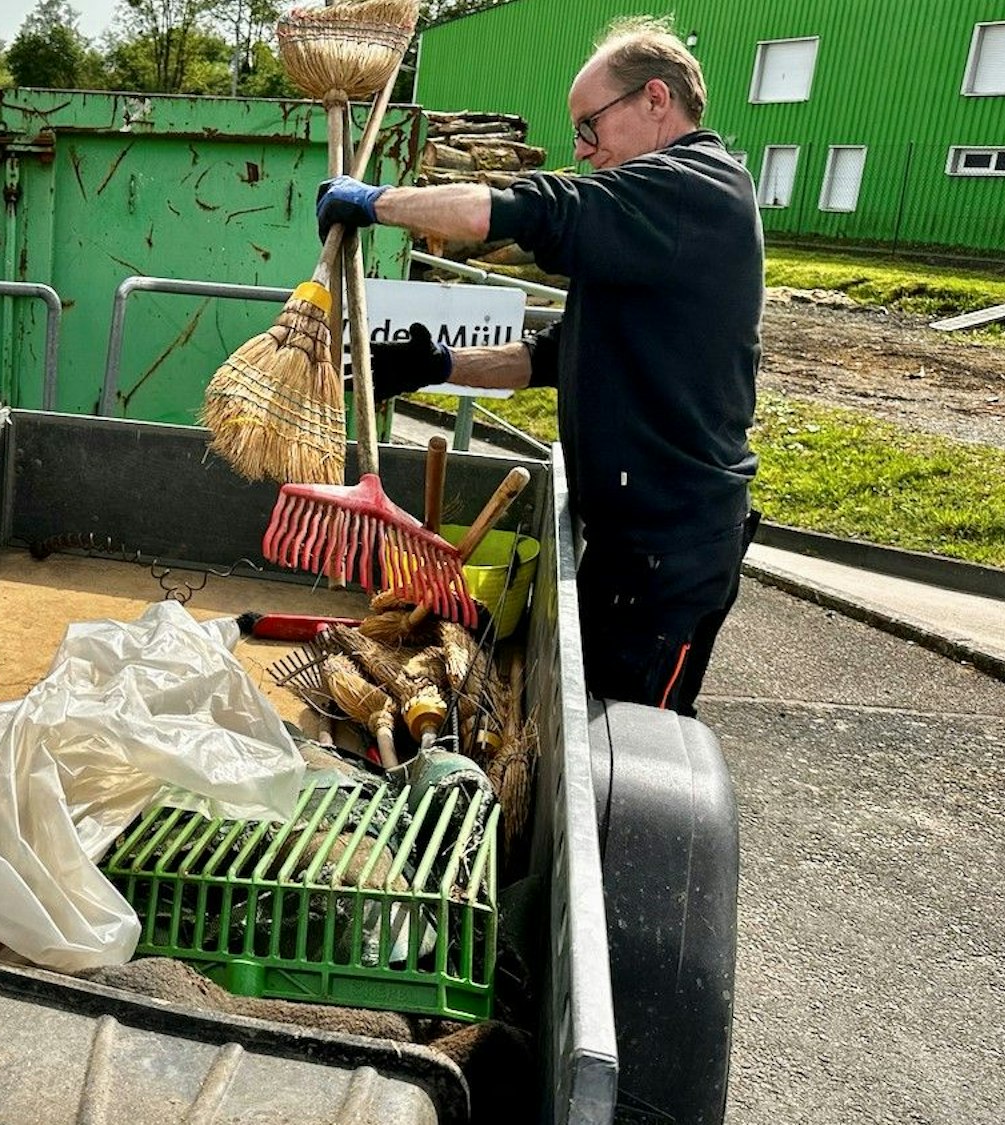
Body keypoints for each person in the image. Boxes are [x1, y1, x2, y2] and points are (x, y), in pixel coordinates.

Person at [316, 17, 763, 717]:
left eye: (591, 127)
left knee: (630, 750)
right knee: (589, 728)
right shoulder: (659, 217)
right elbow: (550, 356)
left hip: (669, 553)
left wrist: (377, 202)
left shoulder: (692, 189)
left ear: (654, 100)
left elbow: (537, 208)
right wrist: (435, 363)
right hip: (635, 545)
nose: (586, 151)